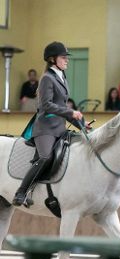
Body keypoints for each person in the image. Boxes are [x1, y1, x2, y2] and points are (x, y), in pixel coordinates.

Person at [12, 42, 88, 206]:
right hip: (45, 128)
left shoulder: (62, 77)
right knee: (45, 157)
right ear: (53, 59)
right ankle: (21, 193)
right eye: (63, 57)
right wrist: (70, 111)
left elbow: (61, 108)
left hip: (59, 128)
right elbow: (46, 105)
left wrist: (81, 123)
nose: (67, 60)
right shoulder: (47, 78)